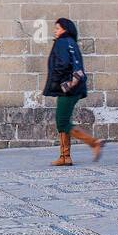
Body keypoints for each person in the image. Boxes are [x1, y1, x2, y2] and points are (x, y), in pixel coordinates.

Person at [42, 18, 104, 166]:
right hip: (73, 88)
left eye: (57, 28)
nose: (55, 31)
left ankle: (94, 143)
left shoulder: (62, 42)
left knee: (62, 122)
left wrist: (58, 82)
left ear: (65, 29)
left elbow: (62, 64)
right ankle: (65, 157)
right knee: (63, 121)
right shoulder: (71, 42)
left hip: (67, 89)